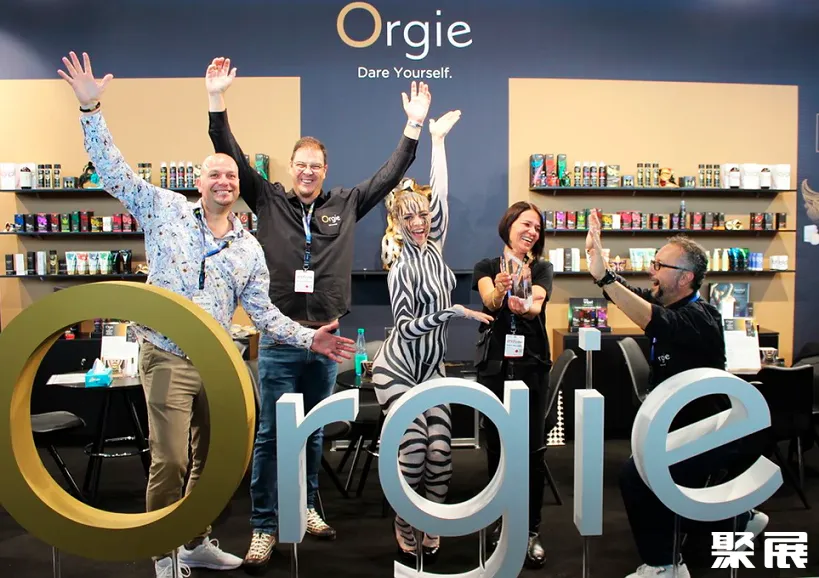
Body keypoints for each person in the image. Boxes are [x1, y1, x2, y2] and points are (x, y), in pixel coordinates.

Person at [57, 51, 355, 578]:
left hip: (220, 361)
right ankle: (163, 551)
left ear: (239, 186)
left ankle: (194, 540)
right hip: (168, 355)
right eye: (215, 173)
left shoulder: (247, 247)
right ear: (199, 181)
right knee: (170, 459)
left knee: (212, 460)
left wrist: (311, 339)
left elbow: (265, 314)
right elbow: (113, 172)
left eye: (231, 176)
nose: (224, 181)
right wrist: (90, 110)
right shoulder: (164, 210)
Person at [204, 57, 431, 568]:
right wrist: (216, 100)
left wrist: (413, 126)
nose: (307, 172)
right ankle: (264, 526)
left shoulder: (345, 204)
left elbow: (389, 175)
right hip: (280, 339)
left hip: (326, 340)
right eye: (300, 164)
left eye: (316, 166)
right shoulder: (267, 199)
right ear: (291, 168)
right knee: (270, 436)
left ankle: (307, 506)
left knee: (314, 431)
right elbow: (229, 152)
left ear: (325, 171)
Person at [585, 211, 768, 578]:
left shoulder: (701, 317)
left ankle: (665, 566)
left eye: (659, 265)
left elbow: (655, 320)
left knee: (637, 476)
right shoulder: (669, 305)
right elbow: (635, 300)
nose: (650, 271)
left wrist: (605, 277)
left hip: (712, 433)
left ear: (685, 277)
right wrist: (599, 267)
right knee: (647, 474)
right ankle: (737, 518)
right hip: (680, 428)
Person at [370, 110, 493, 563]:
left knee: (441, 449)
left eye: (421, 213)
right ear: (397, 220)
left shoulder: (436, 249)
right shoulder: (399, 267)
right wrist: (454, 312)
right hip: (398, 369)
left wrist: (438, 142)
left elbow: (439, 195)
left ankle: (431, 519)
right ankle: (405, 520)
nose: (419, 220)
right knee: (415, 447)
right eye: (409, 216)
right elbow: (405, 326)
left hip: (432, 369)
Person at [472, 201, 554, 569]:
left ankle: (531, 529)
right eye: (526, 224)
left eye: (537, 227)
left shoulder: (543, 269)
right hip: (495, 366)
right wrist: (501, 291)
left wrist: (525, 305)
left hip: (532, 365)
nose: (532, 232)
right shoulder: (487, 267)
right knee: (497, 446)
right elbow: (489, 300)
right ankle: (500, 523)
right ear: (509, 225)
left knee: (533, 450)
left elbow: (536, 305)